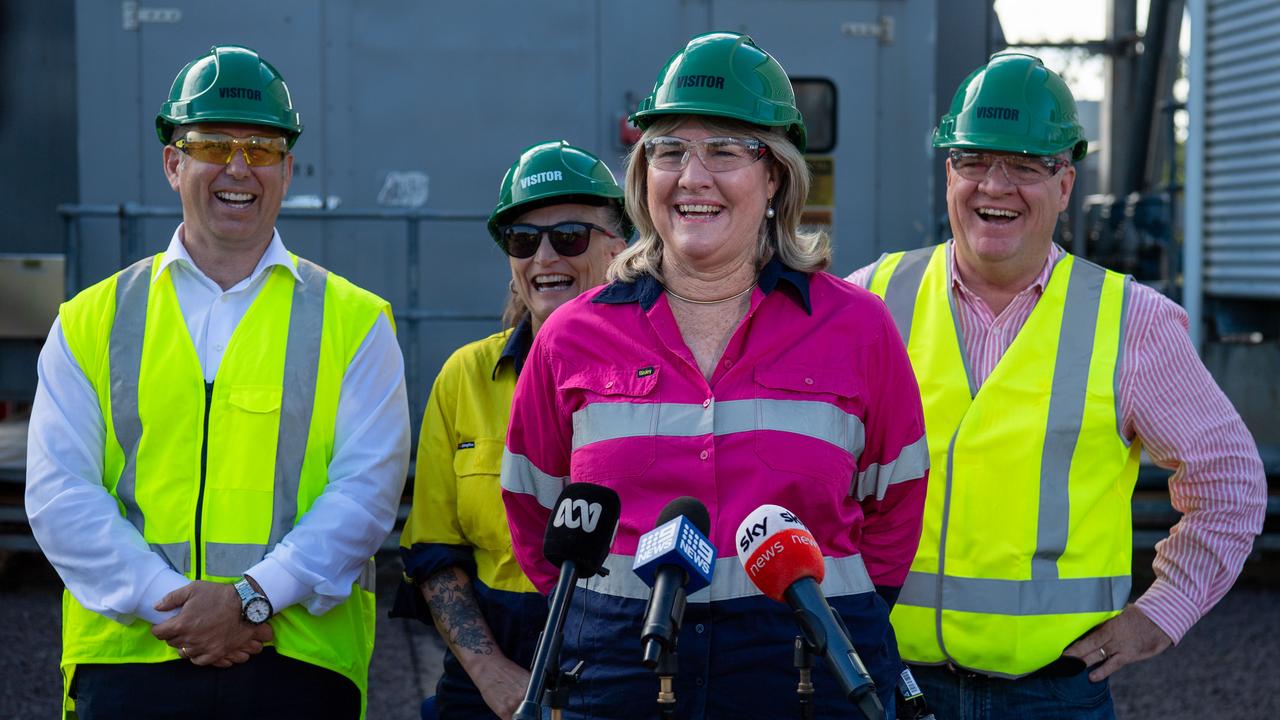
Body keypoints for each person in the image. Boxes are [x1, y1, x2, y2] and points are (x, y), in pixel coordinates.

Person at [501, 32, 929, 718]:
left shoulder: (858, 327)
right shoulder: (573, 337)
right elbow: (535, 506)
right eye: (669, 152)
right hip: (621, 663)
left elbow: (894, 504)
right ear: (644, 175)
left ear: (776, 175)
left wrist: (825, 609)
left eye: (724, 151)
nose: (692, 177)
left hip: (807, 664)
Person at [846, 53, 1267, 719]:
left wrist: (1162, 613)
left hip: (1052, 697)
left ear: (1065, 184)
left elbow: (1230, 483)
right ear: (948, 172)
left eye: (1025, 165)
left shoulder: (1131, 322)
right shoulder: (869, 300)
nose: (996, 185)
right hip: (887, 682)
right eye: (975, 161)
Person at [25, 45, 410, 719]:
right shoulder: (91, 320)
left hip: (295, 662)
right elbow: (60, 494)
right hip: (133, 659)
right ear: (175, 163)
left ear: (287, 171)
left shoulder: (356, 321)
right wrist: (173, 606)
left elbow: (367, 495)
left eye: (262, 150)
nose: (239, 168)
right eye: (212, 145)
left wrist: (248, 599)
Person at [394, 140, 629, 719]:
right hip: (488, 680)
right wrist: (493, 675)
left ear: (619, 247)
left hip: (622, 672)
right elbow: (433, 552)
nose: (545, 257)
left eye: (569, 236)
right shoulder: (466, 377)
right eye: (524, 240)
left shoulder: (662, 382)